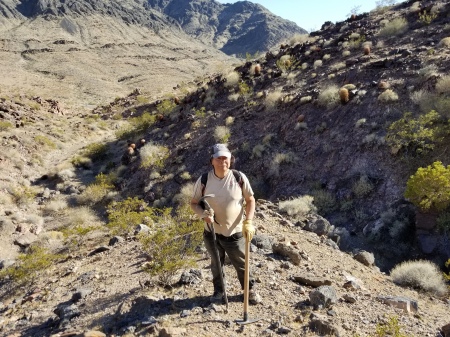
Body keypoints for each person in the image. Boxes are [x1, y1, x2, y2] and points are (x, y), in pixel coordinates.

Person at [190, 144, 261, 304]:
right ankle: (219, 292)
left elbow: (250, 200)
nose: (223, 161)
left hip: (234, 232)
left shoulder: (239, 177)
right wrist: (203, 214)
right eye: (219, 158)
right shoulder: (204, 180)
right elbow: (194, 203)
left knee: (242, 263)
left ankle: (249, 290)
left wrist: (248, 221)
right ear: (212, 161)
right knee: (216, 264)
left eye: (225, 158)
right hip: (211, 232)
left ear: (230, 160)